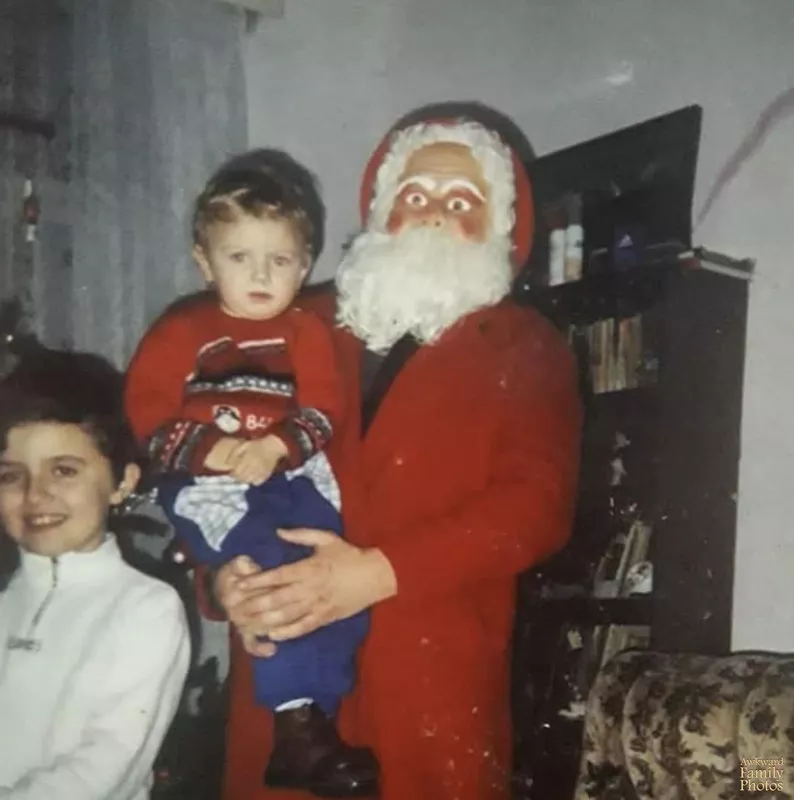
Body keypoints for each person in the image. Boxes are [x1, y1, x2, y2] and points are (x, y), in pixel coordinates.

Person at [210, 108, 584, 800]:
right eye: (415, 195)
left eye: (461, 201)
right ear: (382, 211)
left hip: (429, 674)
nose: (435, 214)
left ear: (501, 226)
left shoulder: (528, 346)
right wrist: (222, 579)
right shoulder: (293, 325)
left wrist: (378, 574)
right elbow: (210, 455)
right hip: (287, 673)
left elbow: (536, 506)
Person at [124, 150, 378, 797]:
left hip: (286, 473)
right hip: (210, 481)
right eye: (241, 258)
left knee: (328, 576)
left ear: (305, 262)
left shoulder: (305, 331)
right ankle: (294, 722)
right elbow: (148, 410)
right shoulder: (187, 328)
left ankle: (312, 720)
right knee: (274, 572)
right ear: (205, 261)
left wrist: (279, 448)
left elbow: (322, 407)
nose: (261, 274)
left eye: (280, 260)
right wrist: (209, 448)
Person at [0, 347, 190, 800]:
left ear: (122, 483)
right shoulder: (7, 602)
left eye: (64, 471)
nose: (35, 495)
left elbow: (105, 765)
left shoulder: (146, 609)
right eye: (10, 476)